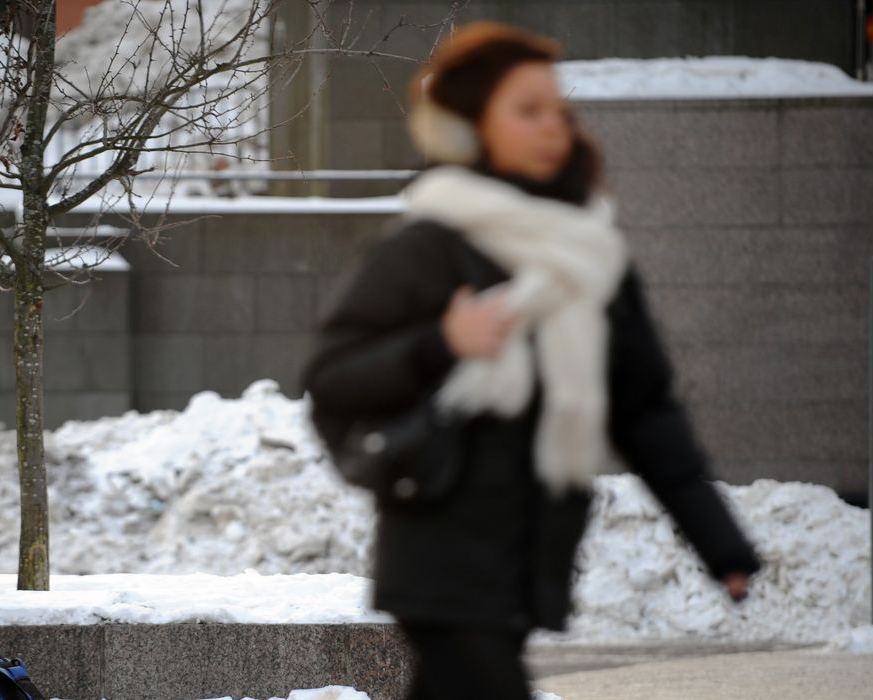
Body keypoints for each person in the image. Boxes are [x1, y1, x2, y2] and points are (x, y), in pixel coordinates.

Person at [303, 22, 761, 700]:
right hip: (438, 549)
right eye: (527, 110)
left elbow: (644, 412)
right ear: (466, 126)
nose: (554, 127)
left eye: (559, 110)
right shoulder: (430, 244)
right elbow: (331, 378)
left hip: (527, 554)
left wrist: (718, 541)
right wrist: (441, 344)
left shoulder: (590, 258)